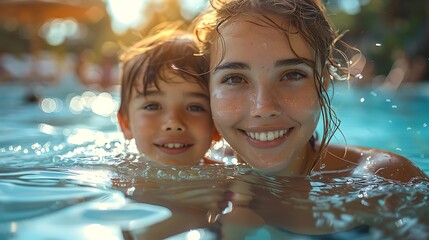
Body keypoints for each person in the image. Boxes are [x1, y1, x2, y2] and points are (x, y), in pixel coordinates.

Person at [193, 0, 428, 182]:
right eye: (235, 78)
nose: (264, 107)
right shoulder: (193, 172)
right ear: (208, 90)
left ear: (323, 82)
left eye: (292, 74)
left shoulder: (384, 180)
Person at [117, 23, 221, 166]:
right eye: (152, 106)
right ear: (126, 123)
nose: (173, 123)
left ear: (217, 126)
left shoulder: (228, 182)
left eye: (194, 107)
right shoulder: (117, 178)